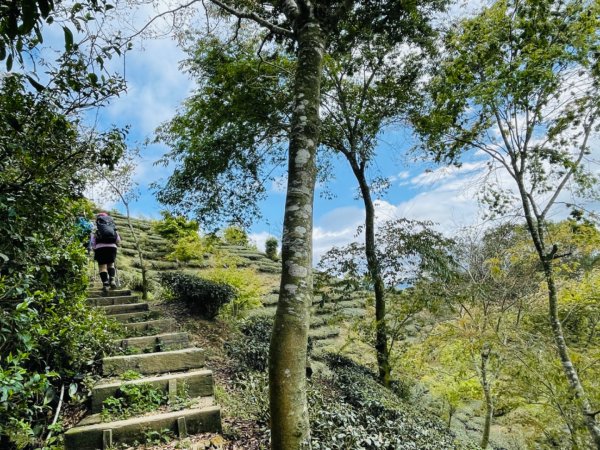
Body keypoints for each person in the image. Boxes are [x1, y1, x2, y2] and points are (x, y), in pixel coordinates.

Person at [91, 212, 121, 293]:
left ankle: (105, 284)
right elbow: (118, 240)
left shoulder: (96, 229)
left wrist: (94, 249)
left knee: (102, 267)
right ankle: (112, 280)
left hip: (100, 248)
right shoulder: (113, 228)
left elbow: (93, 242)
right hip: (112, 247)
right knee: (111, 264)